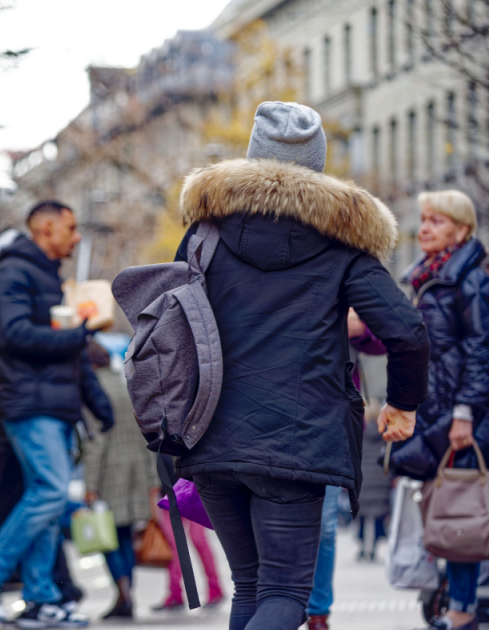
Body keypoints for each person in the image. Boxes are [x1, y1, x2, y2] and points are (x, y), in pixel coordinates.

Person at [173, 101, 429, 630]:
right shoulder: (344, 247)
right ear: (316, 164)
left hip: (210, 433)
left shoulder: (204, 236)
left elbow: (171, 325)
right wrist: (403, 404)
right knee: (287, 593)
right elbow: (406, 330)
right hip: (299, 439)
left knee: (251, 587)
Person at [0, 201, 111, 629]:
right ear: (45, 229)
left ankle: (42, 598)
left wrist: (96, 402)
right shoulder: (13, 274)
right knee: (49, 489)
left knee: (46, 500)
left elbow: (65, 348)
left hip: (52, 403)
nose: (77, 236)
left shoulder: (47, 277)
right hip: (28, 403)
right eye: (71, 227)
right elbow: (11, 335)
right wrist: (77, 335)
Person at [385, 190, 489, 630]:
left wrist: (465, 411)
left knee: (463, 511)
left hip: (462, 418)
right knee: (449, 508)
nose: (425, 227)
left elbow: (480, 348)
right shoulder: (430, 277)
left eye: (438, 221)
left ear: (462, 230)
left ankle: (462, 609)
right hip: (438, 414)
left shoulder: (470, 279)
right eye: (424, 218)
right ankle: (453, 602)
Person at [307, 311, 387, 630]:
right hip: (280, 415)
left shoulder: (344, 273)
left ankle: (318, 612)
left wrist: (361, 327)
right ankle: (276, 601)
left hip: (332, 424)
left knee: (325, 526)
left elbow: (392, 337)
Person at [81, 341, 162, 619]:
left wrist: (90, 484)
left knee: (109, 538)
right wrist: (153, 477)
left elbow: (96, 441)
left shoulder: (93, 390)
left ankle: (123, 595)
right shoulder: (128, 384)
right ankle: (128, 596)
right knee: (126, 536)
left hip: (109, 472)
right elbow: (147, 431)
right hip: (137, 468)